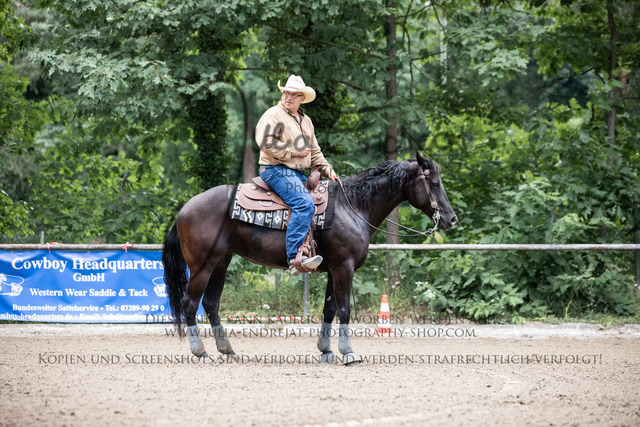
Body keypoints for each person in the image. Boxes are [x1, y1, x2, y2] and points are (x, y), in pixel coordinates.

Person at [255, 75, 338, 275]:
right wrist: (294, 151)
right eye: (286, 93)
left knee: (325, 201)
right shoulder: (273, 115)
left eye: (293, 94)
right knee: (303, 203)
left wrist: (328, 169)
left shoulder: (306, 120)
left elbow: (314, 151)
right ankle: (294, 258)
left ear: (302, 98)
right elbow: (265, 142)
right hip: (275, 170)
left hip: (296, 173)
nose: (288, 97)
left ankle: (314, 248)